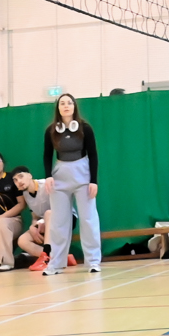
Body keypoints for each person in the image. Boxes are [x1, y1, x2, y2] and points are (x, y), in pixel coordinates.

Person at [43, 95, 101, 276]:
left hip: (82, 174)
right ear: (58, 108)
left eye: (69, 103)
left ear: (74, 107)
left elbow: (93, 154)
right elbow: (47, 155)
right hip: (60, 175)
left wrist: (93, 181)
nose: (66, 106)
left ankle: (93, 261)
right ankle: (56, 263)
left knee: (88, 219)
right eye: (62, 103)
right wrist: (48, 176)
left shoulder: (85, 128)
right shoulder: (51, 131)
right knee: (58, 221)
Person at [10, 167, 53, 268]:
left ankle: (46, 256)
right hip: (44, 224)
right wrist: (32, 227)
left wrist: (43, 222)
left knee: (48, 213)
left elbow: (60, 209)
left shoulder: (46, 184)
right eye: (15, 180)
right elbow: (35, 216)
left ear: (30, 175)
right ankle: (55, 258)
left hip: (63, 220)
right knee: (22, 240)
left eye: (21, 176)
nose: (19, 181)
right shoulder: (26, 194)